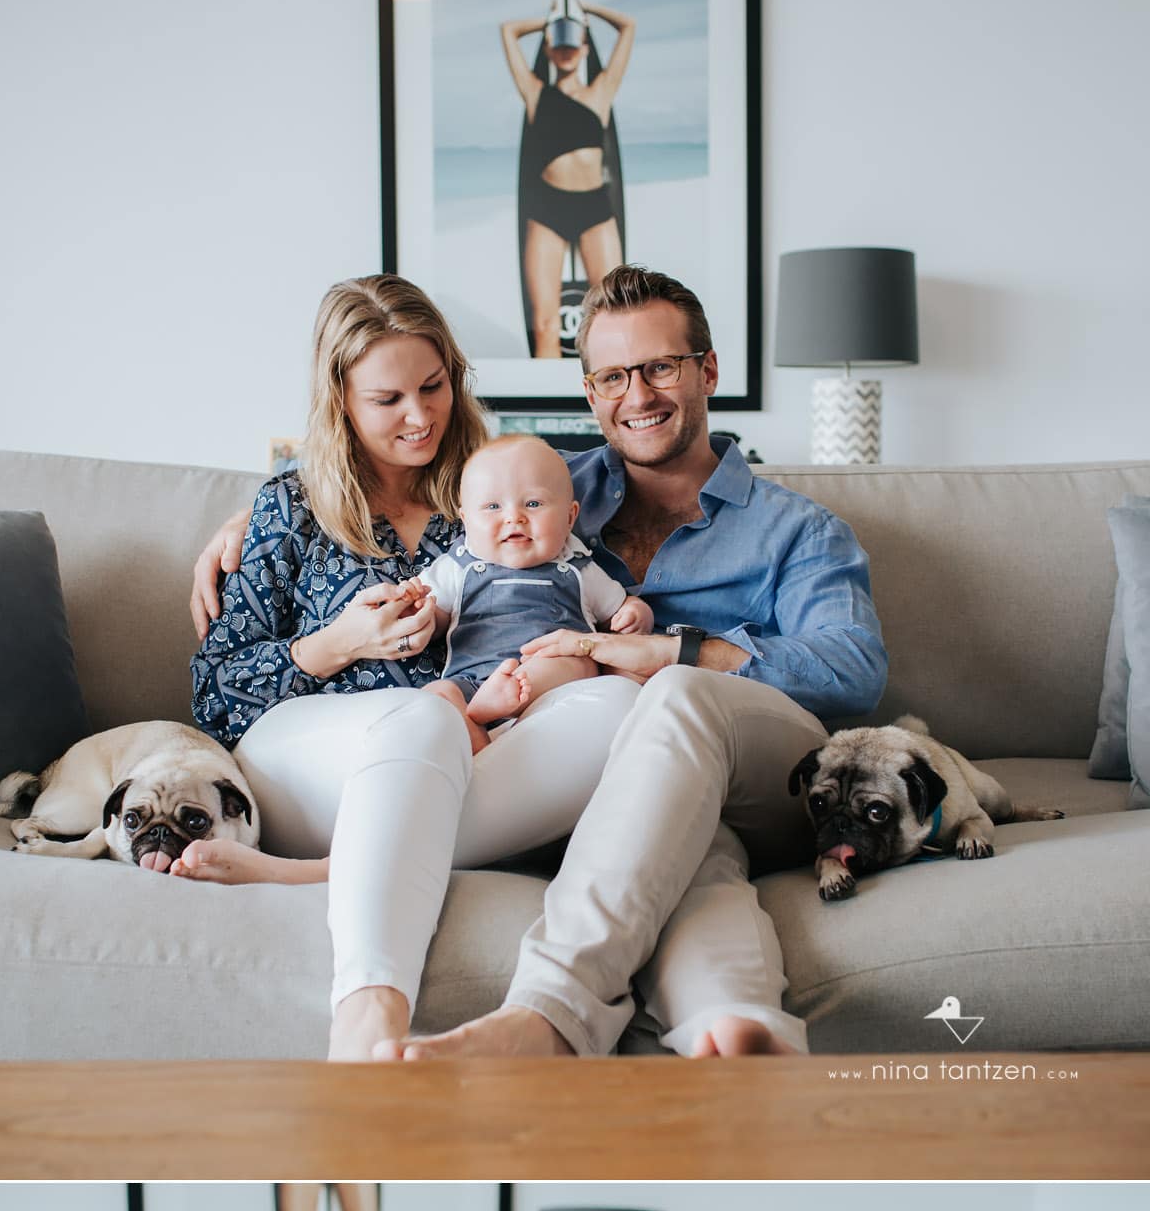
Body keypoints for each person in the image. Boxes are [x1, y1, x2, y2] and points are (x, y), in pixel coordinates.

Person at [188, 266, 887, 1064]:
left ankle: (540, 1008)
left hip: (685, 737)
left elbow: (852, 667)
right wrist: (263, 513)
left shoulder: (798, 531)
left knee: (660, 704)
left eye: (660, 368)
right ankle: (730, 1023)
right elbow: (411, 491)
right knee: (671, 829)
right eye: (613, 377)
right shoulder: (548, 483)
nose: (638, 395)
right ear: (590, 395)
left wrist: (664, 650)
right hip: (512, 758)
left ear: (708, 371)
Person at [179, 272, 642, 1064]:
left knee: (625, 707)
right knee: (427, 712)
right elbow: (217, 692)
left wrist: (607, 641)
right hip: (314, 750)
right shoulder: (289, 509)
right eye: (388, 399)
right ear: (341, 401)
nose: (421, 416)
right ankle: (366, 1015)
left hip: (470, 764)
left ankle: (334, 870)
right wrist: (339, 643)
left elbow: (582, 550)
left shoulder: (500, 486)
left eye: (433, 387)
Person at [422, 436, 652, 744]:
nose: (513, 517)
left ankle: (506, 698)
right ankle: (475, 731)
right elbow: (432, 616)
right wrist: (420, 613)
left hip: (548, 692)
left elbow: (618, 610)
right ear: (466, 521)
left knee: (578, 662)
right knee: (434, 698)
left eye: (533, 503)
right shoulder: (457, 566)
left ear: (570, 517)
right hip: (472, 685)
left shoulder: (578, 566)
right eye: (492, 506)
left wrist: (636, 613)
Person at [502, 0, 635, 356]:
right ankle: (551, 401)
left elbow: (628, 27)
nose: (566, 50)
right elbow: (508, 31)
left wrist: (584, 12)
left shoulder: (600, 93)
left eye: (573, 42)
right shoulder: (535, 94)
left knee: (615, 315)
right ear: (548, 48)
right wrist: (552, 23)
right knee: (545, 324)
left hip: (594, 207)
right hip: (547, 210)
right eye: (558, 44)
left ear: (584, 45)